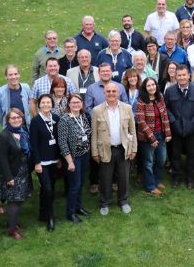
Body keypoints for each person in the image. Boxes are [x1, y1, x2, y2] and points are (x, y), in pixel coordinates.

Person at [91, 83, 137, 214]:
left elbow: (132, 130)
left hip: (123, 148)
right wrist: (95, 152)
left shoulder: (127, 108)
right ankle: (105, 202)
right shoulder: (97, 110)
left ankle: (123, 200)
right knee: (105, 178)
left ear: (118, 93)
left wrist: (134, 149)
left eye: (114, 91)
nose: (111, 93)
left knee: (124, 177)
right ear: (104, 93)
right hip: (105, 149)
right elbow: (94, 133)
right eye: (108, 91)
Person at [0, 108, 32, 239]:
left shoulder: (23, 132)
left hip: (23, 171)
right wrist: (9, 177)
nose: (16, 120)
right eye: (13, 118)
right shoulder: (3, 136)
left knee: (19, 199)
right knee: (14, 201)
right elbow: (2, 159)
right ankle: (12, 230)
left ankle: (12, 222)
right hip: (12, 173)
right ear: (8, 121)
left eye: (18, 117)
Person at [164, 65, 194, 189]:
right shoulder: (170, 91)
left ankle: (190, 178)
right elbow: (167, 109)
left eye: (184, 75)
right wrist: (173, 122)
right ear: (175, 76)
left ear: (189, 75)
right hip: (176, 129)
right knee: (175, 154)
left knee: (192, 154)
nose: (181, 77)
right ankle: (176, 177)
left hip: (192, 128)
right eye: (179, 75)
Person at [58, 94, 92, 224]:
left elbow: (87, 133)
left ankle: (79, 207)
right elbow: (62, 142)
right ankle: (70, 212)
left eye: (78, 102)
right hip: (73, 158)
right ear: (69, 104)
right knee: (74, 186)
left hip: (84, 155)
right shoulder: (64, 120)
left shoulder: (83, 116)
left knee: (81, 183)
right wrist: (70, 161)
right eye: (73, 102)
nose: (76, 104)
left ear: (82, 103)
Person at [29, 94, 60, 232]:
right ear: (39, 105)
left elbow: (59, 140)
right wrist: (37, 163)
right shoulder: (35, 121)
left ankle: (42, 213)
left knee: (49, 188)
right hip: (42, 162)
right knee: (48, 190)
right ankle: (50, 217)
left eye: (49, 102)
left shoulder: (56, 119)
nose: (46, 105)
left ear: (52, 105)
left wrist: (59, 158)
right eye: (43, 102)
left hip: (55, 160)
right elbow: (33, 144)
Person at [135, 77, 171, 196]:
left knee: (162, 159)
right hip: (146, 136)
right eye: (149, 85)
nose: (152, 87)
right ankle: (150, 186)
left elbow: (165, 116)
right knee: (149, 162)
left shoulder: (160, 97)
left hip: (161, 133)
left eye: (153, 85)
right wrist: (151, 138)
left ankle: (156, 180)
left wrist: (168, 133)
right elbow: (141, 121)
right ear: (145, 88)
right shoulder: (141, 100)